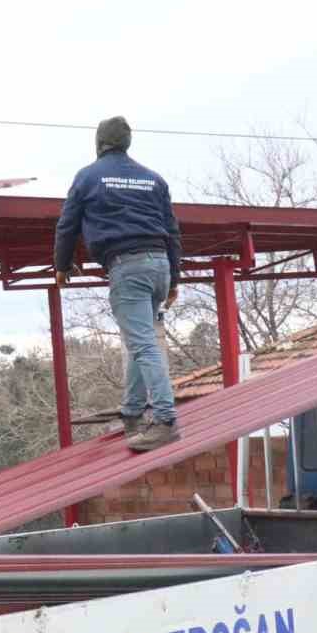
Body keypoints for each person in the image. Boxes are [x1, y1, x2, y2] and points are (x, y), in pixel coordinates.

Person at [54, 116, 184, 452]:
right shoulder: (154, 179)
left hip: (128, 267)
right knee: (140, 339)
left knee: (143, 344)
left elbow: (67, 226)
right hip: (160, 265)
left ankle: (166, 421)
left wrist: (61, 266)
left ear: (99, 143)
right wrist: (174, 278)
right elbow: (172, 231)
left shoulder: (88, 177)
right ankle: (132, 411)